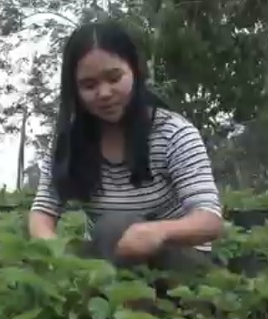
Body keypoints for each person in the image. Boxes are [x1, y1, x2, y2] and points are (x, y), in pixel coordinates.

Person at [29, 20, 223, 270]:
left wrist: (158, 232)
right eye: (89, 85)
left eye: (114, 77)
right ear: (74, 90)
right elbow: (43, 211)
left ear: (135, 71)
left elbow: (209, 220)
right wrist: (56, 256)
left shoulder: (173, 133)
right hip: (109, 263)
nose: (104, 93)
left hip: (180, 266)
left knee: (115, 226)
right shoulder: (69, 143)